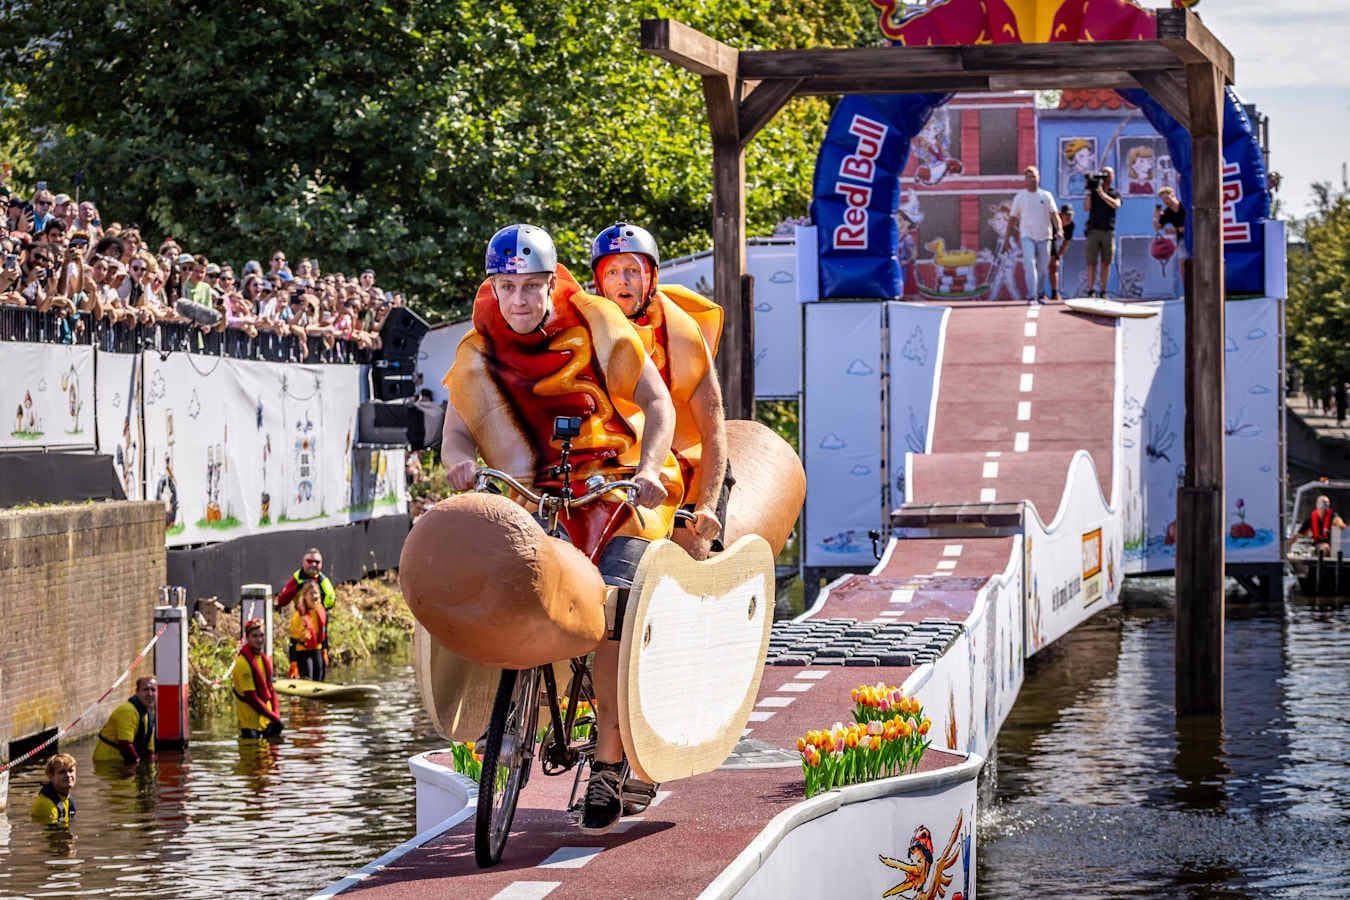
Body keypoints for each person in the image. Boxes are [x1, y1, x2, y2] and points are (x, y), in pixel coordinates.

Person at [442, 223, 679, 834]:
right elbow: (457, 432)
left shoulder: (597, 321)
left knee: (608, 616)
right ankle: (514, 713)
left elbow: (658, 404)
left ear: (552, 282)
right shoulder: (478, 349)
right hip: (539, 496)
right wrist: (460, 466)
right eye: (506, 287)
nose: (517, 300)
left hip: (615, 489)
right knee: (509, 590)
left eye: (530, 287)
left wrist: (650, 467)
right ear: (493, 287)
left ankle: (607, 761)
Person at [589, 222, 729, 561]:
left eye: (632, 271)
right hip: (609, 452)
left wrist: (708, 506)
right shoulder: (582, 326)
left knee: (690, 545)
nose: (622, 281)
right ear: (598, 282)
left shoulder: (680, 333)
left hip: (682, 453)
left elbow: (712, 429)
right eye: (613, 272)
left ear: (651, 276)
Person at [1007, 166, 1062, 304]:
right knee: (1029, 264)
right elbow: (1012, 218)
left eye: (1034, 176)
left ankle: (1040, 293)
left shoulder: (1046, 195)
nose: (1032, 179)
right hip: (1027, 236)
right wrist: (1007, 237)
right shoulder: (1020, 197)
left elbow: (1054, 215)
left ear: (1039, 177)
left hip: (1044, 236)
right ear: (1025, 179)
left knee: (1043, 267)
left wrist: (1059, 229)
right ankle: (1031, 296)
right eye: (1029, 177)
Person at [231, 618, 283, 740]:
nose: (259, 640)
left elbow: (271, 689)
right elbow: (252, 698)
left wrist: (276, 714)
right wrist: (274, 717)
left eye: (261, 635)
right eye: (254, 636)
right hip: (250, 727)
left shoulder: (263, 660)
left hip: (266, 723)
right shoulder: (242, 663)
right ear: (247, 638)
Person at [93, 676, 157, 765]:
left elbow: (150, 750)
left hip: (124, 761)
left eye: (153, 690)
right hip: (108, 763)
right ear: (137, 692)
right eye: (145, 690)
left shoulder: (149, 714)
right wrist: (138, 766)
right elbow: (125, 744)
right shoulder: (128, 711)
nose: (149, 694)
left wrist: (151, 768)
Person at [1082, 166, 1122, 298]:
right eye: (1105, 174)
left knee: (1106, 262)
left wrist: (1102, 194)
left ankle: (1103, 291)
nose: (1107, 177)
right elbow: (1086, 208)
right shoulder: (1094, 192)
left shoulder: (1114, 192)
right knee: (1091, 262)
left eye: (1109, 175)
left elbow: (1116, 204)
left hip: (1108, 231)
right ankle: (1090, 290)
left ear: (1113, 177)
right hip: (1094, 230)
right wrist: (1089, 190)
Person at [287, 582, 327, 681]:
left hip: (317, 649)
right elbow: (292, 642)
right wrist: (293, 662)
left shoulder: (321, 611)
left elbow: (325, 634)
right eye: (311, 594)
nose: (314, 596)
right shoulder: (298, 616)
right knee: (308, 676)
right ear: (304, 596)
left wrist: (325, 650)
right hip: (303, 651)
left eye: (316, 593)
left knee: (320, 676)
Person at [274, 548, 336, 612]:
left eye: (317, 562)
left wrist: (319, 611)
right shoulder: (297, 577)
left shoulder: (324, 581)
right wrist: (297, 587)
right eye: (309, 561)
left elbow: (331, 602)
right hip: (300, 616)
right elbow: (282, 601)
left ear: (321, 564)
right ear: (303, 562)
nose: (313, 564)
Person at [30, 753, 77, 826]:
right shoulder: (46, 805)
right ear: (50, 776)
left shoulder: (66, 798)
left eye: (71, 771)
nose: (68, 775)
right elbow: (53, 836)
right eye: (62, 772)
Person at [1049, 204, 1076, 301]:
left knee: (1054, 265)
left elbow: (1066, 243)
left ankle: (1054, 292)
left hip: (1053, 242)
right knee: (1043, 265)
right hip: (1045, 239)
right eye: (1066, 215)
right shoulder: (1053, 221)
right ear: (1060, 215)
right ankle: (1038, 292)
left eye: (1071, 215)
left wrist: (1058, 256)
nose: (1069, 217)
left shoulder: (1071, 225)